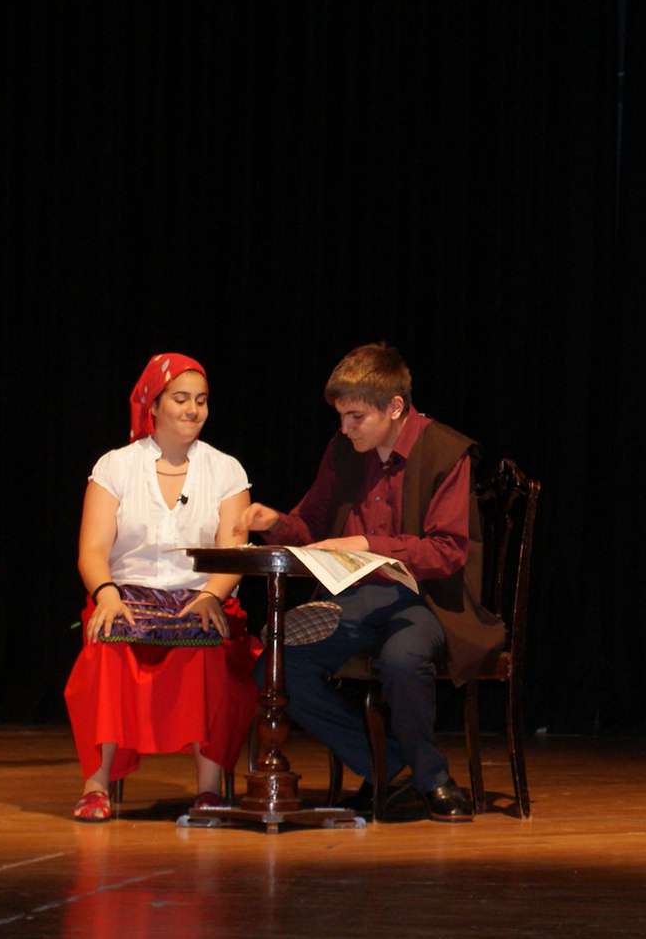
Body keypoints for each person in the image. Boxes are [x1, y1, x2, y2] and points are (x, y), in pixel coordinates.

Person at [236, 343, 502, 821]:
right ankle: (387, 765)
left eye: (356, 417)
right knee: (277, 667)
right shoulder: (344, 451)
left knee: (402, 659)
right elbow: (311, 526)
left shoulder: (444, 451)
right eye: (341, 416)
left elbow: (447, 551)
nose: (345, 428)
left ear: (394, 407)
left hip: (424, 599)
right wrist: (273, 522)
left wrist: (367, 544)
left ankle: (431, 778)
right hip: (355, 598)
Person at [64, 352, 259, 822]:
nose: (193, 410)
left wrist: (211, 596)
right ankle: (96, 786)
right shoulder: (115, 466)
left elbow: (234, 550)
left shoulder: (226, 470)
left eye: (201, 401)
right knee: (107, 638)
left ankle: (208, 790)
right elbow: (92, 549)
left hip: (201, 595)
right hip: (127, 595)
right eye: (181, 399)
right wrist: (106, 595)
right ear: (153, 405)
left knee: (210, 640)